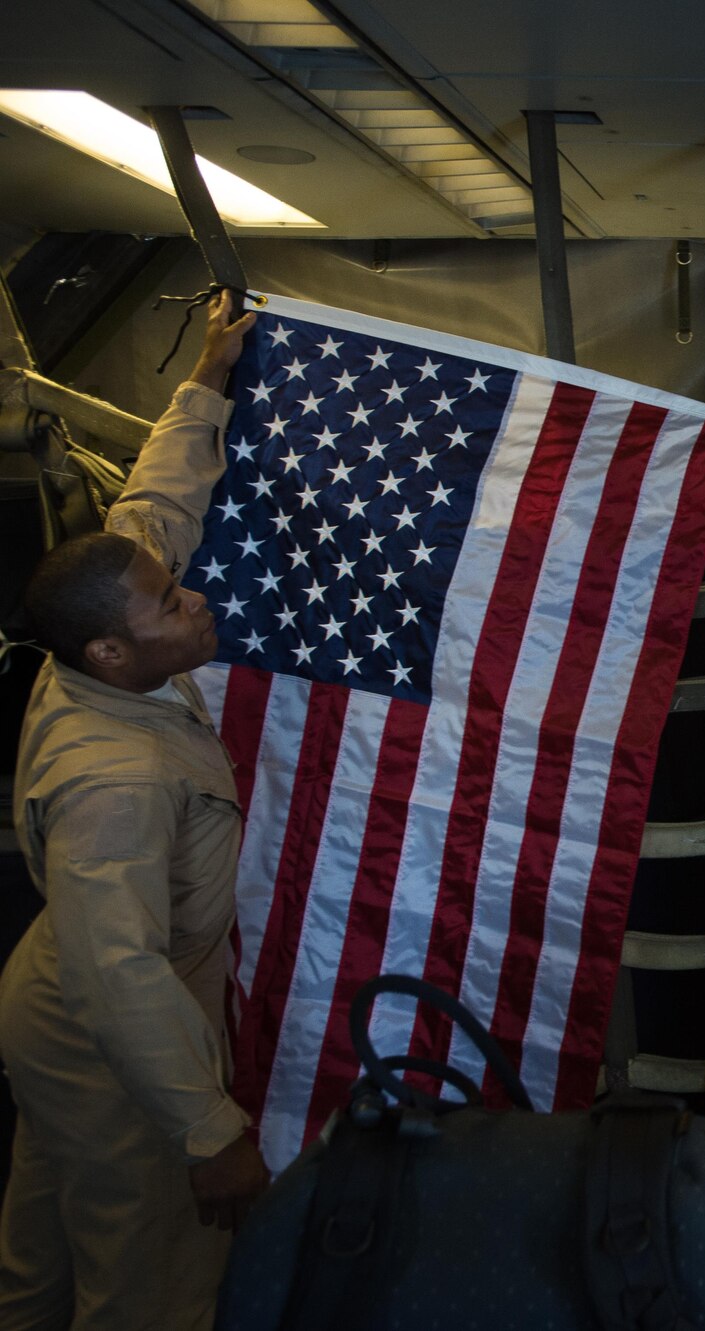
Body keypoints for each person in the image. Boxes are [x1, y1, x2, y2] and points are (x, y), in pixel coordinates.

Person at [0, 292, 269, 1330]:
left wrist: (206, 375)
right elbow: (121, 972)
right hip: (105, 1036)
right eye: (171, 603)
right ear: (112, 650)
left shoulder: (99, 643)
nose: (194, 597)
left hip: (58, 994)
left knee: (43, 1257)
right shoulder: (114, 783)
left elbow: (153, 510)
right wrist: (206, 1128)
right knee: (147, 1279)